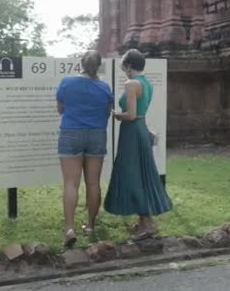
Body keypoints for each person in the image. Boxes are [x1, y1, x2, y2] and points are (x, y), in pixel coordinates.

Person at [105, 49, 172, 239]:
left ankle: (145, 224)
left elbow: (131, 115)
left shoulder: (131, 84)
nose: (123, 70)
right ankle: (146, 221)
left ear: (129, 65)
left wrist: (116, 114)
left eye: (124, 66)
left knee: (132, 173)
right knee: (142, 173)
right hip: (141, 128)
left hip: (132, 130)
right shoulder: (147, 83)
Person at [56, 50, 113, 247]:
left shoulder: (66, 83)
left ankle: (70, 229)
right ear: (98, 66)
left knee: (71, 183)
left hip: (71, 132)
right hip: (97, 133)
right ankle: (89, 225)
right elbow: (107, 112)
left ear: (81, 63)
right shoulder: (105, 87)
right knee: (93, 183)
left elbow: (60, 109)